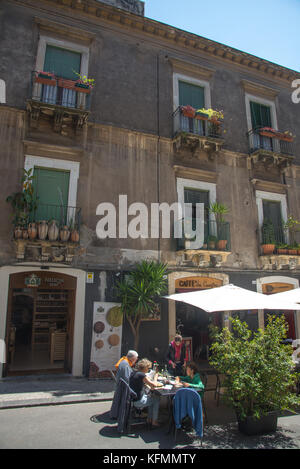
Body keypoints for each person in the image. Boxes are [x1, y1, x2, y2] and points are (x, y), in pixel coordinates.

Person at [129, 358, 162, 427]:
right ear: (145, 368)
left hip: (132, 399)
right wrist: (156, 376)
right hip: (138, 401)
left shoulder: (134, 373)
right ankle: (154, 421)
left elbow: (147, 382)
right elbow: (153, 385)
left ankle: (149, 418)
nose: (148, 370)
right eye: (148, 368)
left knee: (152, 397)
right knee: (156, 399)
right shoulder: (141, 375)